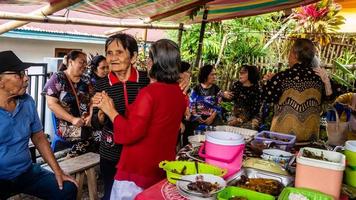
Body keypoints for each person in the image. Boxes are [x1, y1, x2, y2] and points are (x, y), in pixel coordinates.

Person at [91, 33, 190, 200]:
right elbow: (94, 121)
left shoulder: (147, 80)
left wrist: (186, 77)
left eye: (119, 52)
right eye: (109, 53)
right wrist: (100, 115)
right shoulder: (100, 83)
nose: (113, 58)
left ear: (134, 56)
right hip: (111, 153)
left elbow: (163, 101)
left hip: (140, 161)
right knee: (109, 193)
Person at [0, 50, 77, 199]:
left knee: (67, 189)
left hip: (26, 172)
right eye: (19, 74)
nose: (26, 78)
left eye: (25, 73)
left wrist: (58, 171)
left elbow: (39, 137)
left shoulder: (27, 102)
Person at [261, 38, 340, 142]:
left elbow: (266, 97)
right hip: (310, 138)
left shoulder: (283, 77)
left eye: (289, 53)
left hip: (282, 138)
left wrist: (267, 82)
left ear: (295, 55)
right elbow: (332, 98)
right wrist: (328, 84)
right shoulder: (320, 77)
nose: (288, 57)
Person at [43, 50, 95, 156]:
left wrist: (90, 115)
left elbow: (93, 100)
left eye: (86, 63)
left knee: (104, 132)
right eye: (81, 62)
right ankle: (71, 157)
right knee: (92, 135)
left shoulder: (86, 80)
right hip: (66, 127)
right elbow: (51, 104)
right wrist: (73, 119)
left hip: (86, 123)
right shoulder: (58, 78)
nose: (85, 65)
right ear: (71, 62)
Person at [189, 64, 224, 130]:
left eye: (215, 74)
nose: (214, 77)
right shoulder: (196, 89)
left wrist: (211, 118)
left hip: (213, 119)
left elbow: (218, 106)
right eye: (212, 74)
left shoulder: (217, 89)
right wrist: (196, 117)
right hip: (197, 120)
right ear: (205, 75)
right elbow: (191, 105)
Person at [227, 65, 261, 130]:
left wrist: (240, 120)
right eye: (240, 72)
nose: (240, 74)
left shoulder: (257, 89)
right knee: (229, 124)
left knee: (250, 127)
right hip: (236, 115)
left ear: (251, 74)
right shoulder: (237, 85)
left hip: (252, 117)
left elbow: (254, 110)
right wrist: (224, 95)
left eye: (244, 72)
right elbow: (229, 98)